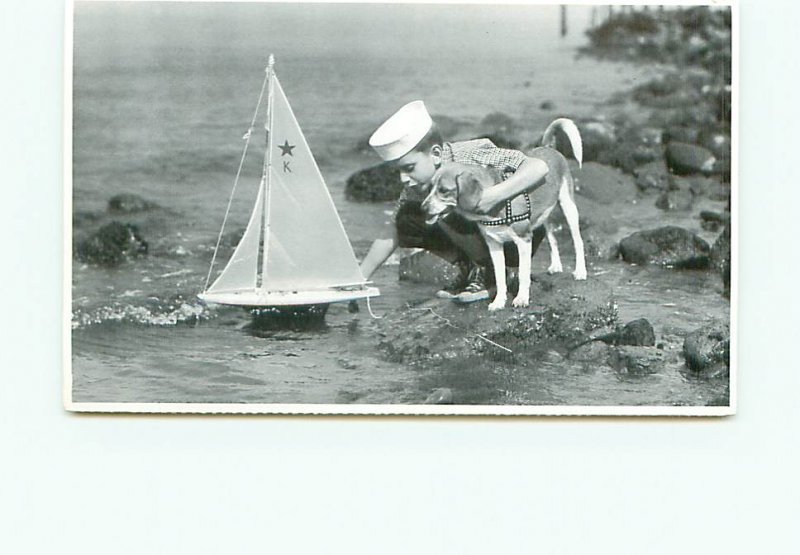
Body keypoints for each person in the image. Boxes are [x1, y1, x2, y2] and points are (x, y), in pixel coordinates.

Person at [360, 100, 550, 302]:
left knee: (450, 208)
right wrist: (357, 280)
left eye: (409, 168)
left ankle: (493, 274)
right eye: (397, 171)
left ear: (435, 154)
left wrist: (491, 196)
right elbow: (392, 231)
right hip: (487, 234)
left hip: (516, 229)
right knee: (407, 219)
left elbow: (539, 167)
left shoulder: (471, 154)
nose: (403, 179)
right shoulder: (417, 184)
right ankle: (472, 267)